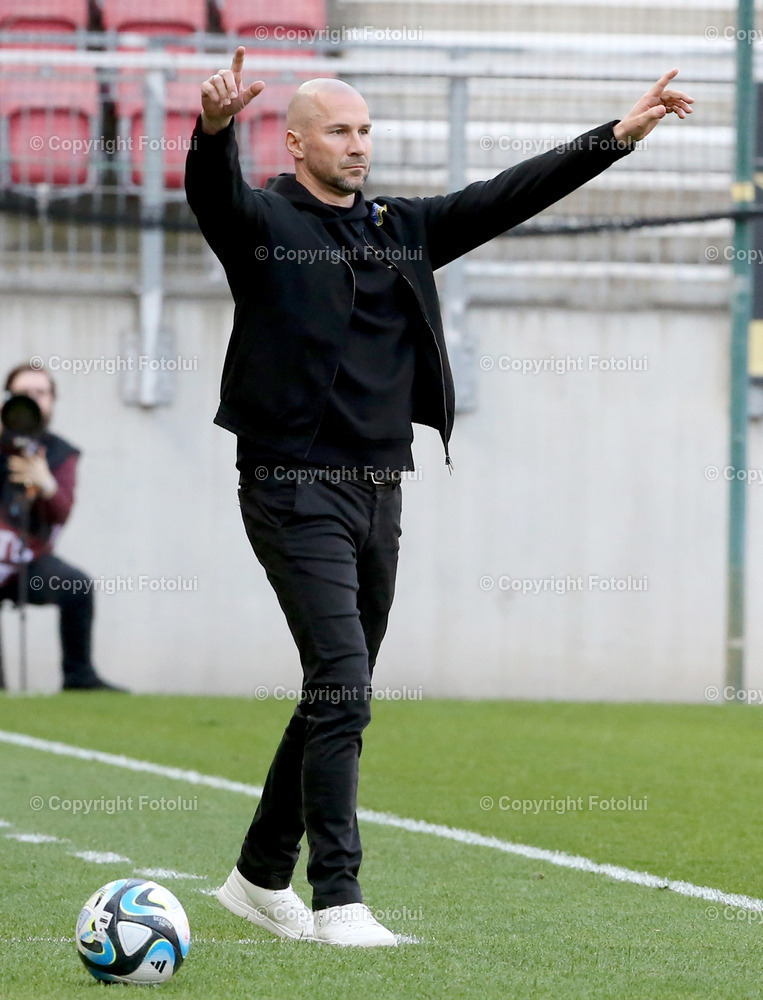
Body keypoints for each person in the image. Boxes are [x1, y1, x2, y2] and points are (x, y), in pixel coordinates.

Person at [185, 48, 693, 947]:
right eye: (339, 131)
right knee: (342, 682)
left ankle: (260, 877)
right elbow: (212, 198)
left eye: (366, 130)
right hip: (292, 487)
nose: (359, 145)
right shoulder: (263, 221)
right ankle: (337, 897)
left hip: (382, 491)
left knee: (337, 688)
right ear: (296, 142)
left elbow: (504, 196)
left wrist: (614, 138)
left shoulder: (399, 226)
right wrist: (212, 132)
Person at [0, 363, 124, 692]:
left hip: (29, 560)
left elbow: (62, 511)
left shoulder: (60, 453)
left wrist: (46, 484)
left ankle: (79, 676)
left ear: (53, 400)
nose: (32, 401)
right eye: (23, 394)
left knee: (77, 588)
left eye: (40, 393)